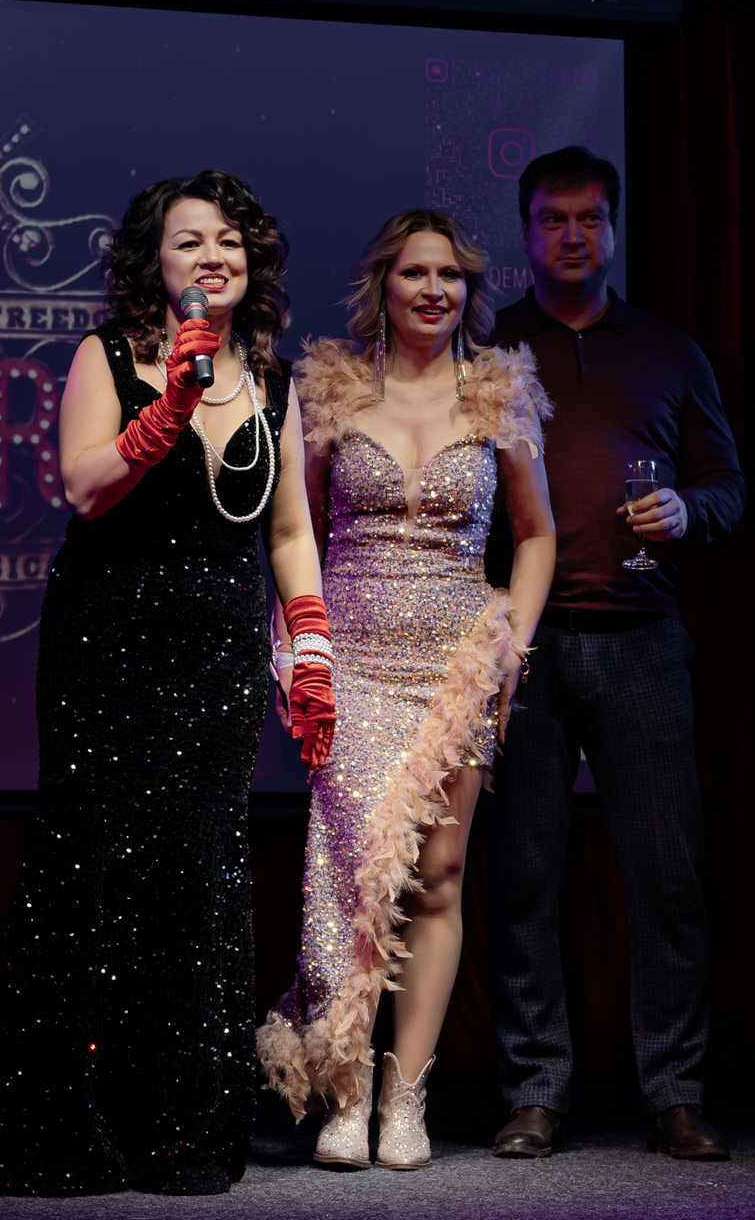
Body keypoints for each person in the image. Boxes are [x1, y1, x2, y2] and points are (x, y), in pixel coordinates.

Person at [0, 170, 334, 1197]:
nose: (213, 256)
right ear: (153, 263)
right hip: (109, 642)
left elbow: (289, 530)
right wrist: (169, 410)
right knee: (94, 868)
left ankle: (175, 1126)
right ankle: (57, 1124)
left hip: (219, 654)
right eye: (190, 241)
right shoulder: (107, 355)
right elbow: (83, 485)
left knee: (197, 876)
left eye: (230, 240)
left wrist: (311, 646)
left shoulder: (273, 380)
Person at [258, 210, 556, 1170]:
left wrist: (512, 645)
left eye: (451, 275)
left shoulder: (500, 394)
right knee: (349, 872)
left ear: (469, 290)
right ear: (382, 285)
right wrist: (297, 648)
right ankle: (344, 1089)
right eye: (416, 273)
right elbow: (293, 532)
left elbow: (537, 535)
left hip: (455, 664)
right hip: (352, 658)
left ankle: (405, 1097)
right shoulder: (335, 392)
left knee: (440, 874)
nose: (435, 290)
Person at [480, 145, 744, 1162]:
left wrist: (690, 507)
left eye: (591, 217)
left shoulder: (670, 351)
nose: (573, 235)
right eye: (553, 219)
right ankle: (535, 1094)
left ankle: (675, 1093)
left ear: (615, 229)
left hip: (643, 640)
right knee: (524, 879)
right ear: (527, 232)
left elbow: (727, 483)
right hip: (524, 644)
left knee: (668, 877)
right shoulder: (491, 350)